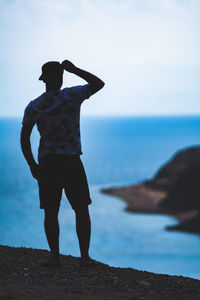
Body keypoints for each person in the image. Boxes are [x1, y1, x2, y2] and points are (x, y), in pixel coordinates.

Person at [20, 60, 104, 267]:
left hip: (48, 163)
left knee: (50, 210)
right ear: (61, 77)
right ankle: (84, 258)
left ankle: (54, 256)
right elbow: (98, 83)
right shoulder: (72, 95)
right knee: (81, 209)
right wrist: (74, 69)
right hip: (71, 161)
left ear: (43, 79)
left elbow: (24, 138)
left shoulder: (34, 106)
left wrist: (32, 164)